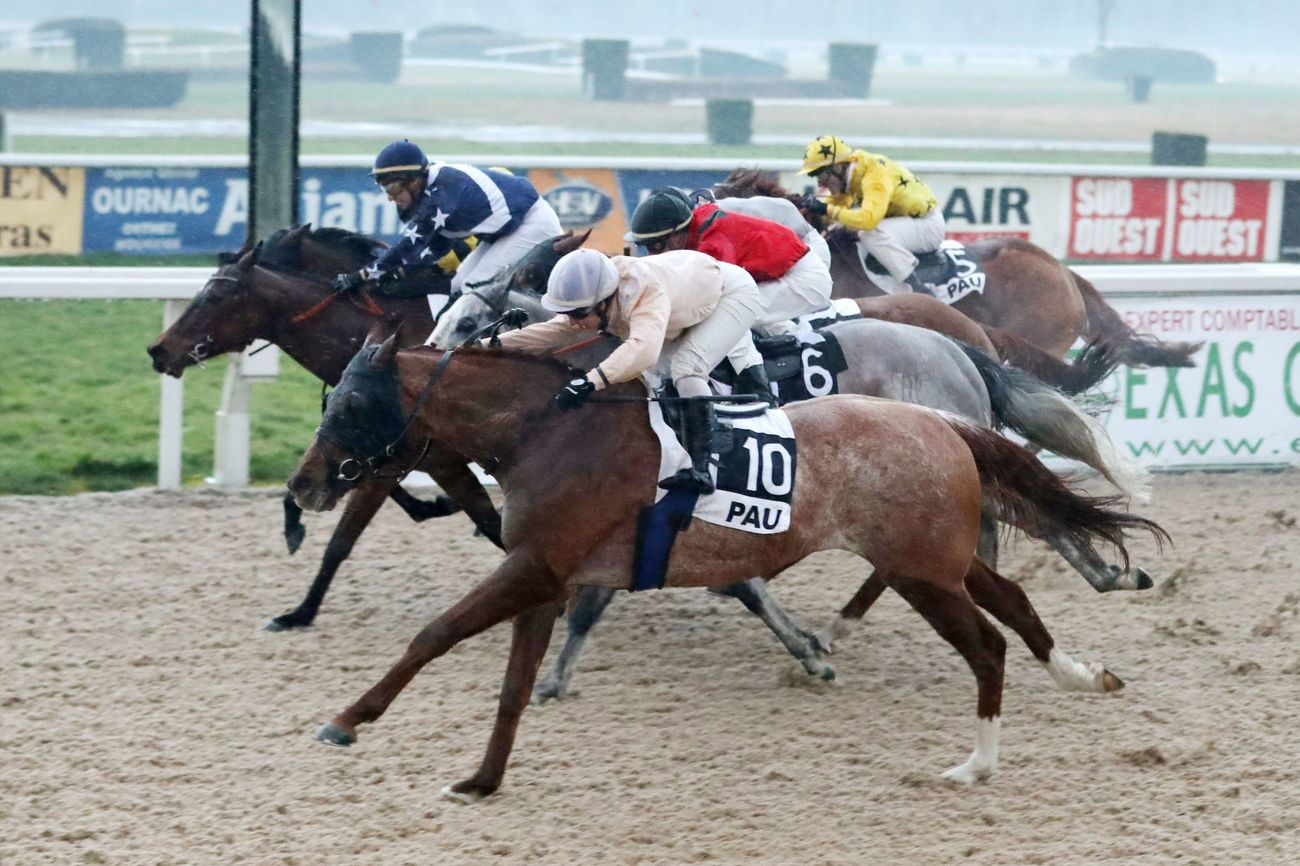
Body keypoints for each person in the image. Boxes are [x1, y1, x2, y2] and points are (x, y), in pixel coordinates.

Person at [494, 247, 762, 494]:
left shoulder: (642, 290)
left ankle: (702, 470)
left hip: (731, 294)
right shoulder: (600, 295)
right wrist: (489, 345)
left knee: (687, 368)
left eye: (578, 314)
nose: (573, 321)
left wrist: (590, 382)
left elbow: (643, 350)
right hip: (684, 306)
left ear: (602, 302)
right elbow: (554, 331)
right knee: (658, 378)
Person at [624, 187, 832, 404]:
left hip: (805, 279)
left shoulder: (711, 244)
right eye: (646, 247)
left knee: (727, 313)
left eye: (657, 245)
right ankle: (784, 337)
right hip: (784, 271)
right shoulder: (695, 231)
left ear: (677, 234)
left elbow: (714, 301)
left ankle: (756, 386)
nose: (653, 254)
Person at [331, 140, 562, 322]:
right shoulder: (432, 191)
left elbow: (410, 247)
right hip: (508, 230)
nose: (390, 196)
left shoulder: (442, 193)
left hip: (533, 224)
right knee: (459, 282)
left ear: (413, 180)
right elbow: (434, 248)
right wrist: (399, 272)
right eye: (384, 188)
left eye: (392, 186)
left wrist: (360, 276)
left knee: (476, 286)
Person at [798, 134, 944, 293]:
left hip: (927, 226)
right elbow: (839, 204)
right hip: (907, 222)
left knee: (868, 234)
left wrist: (826, 209)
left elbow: (868, 220)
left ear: (838, 167)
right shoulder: (854, 171)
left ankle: (918, 288)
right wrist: (813, 208)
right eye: (816, 176)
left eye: (822, 174)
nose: (820, 182)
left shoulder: (874, 173)